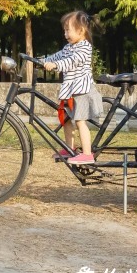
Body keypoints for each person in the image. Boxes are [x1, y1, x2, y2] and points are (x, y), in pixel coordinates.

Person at [42, 10, 103, 165]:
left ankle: (87, 154)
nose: (65, 33)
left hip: (81, 91)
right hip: (70, 90)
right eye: (64, 30)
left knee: (80, 121)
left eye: (68, 30)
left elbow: (71, 61)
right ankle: (70, 148)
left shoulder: (84, 48)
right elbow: (58, 56)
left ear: (81, 30)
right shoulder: (69, 47)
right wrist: (42, 61)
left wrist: (55, 65)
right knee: (66, 120)